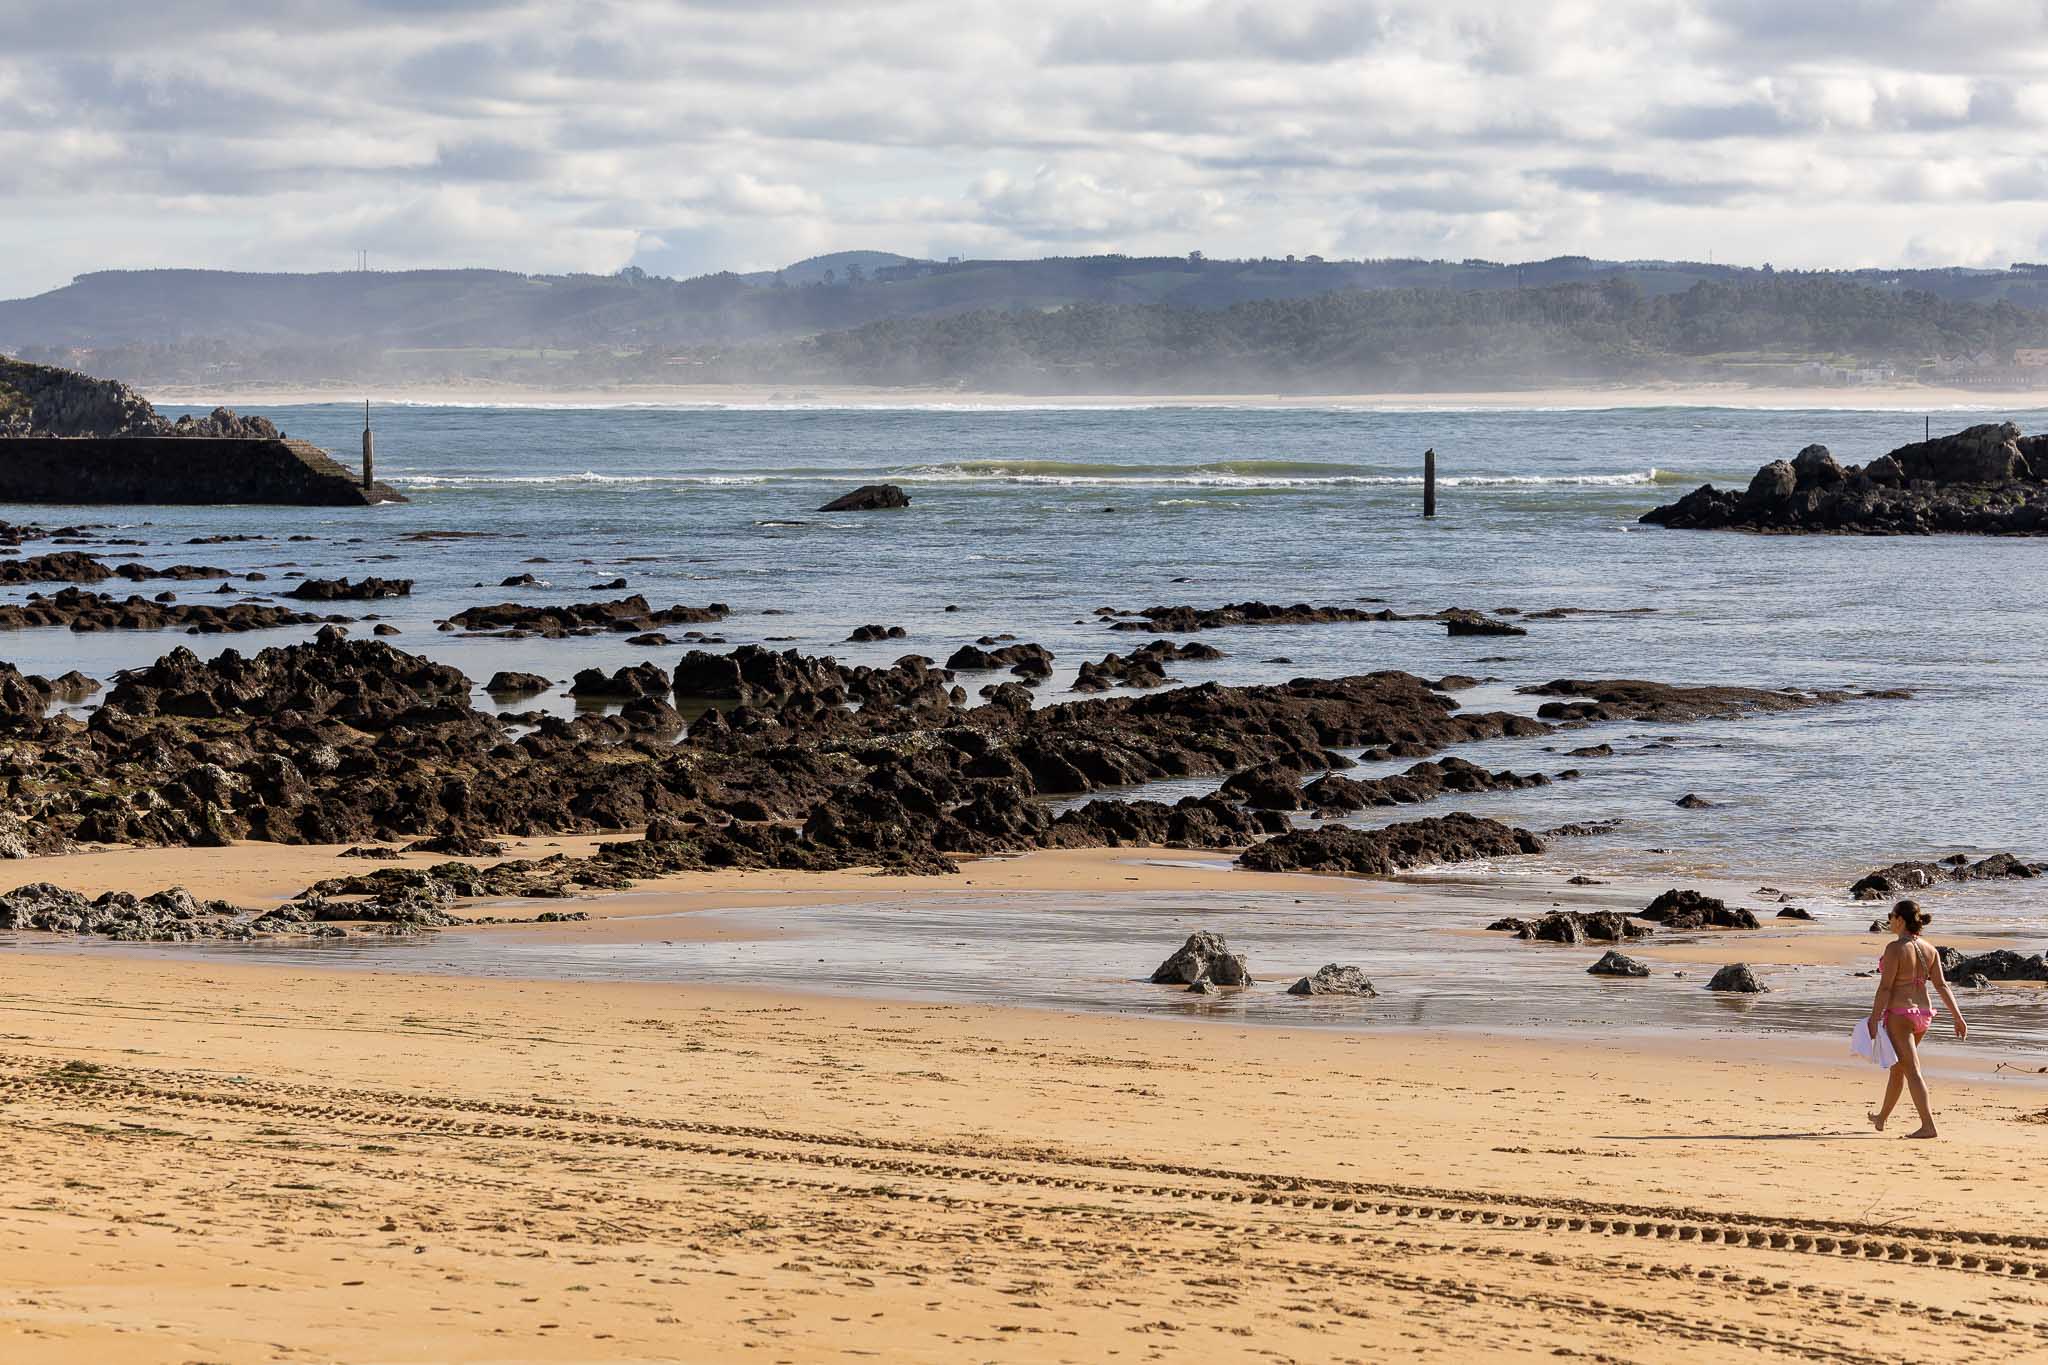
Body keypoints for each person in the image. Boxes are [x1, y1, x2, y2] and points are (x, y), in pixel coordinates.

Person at [1868, 899, 1967, 1138]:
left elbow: (1885, 989)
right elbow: (1942, 986)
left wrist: (1873, 1018)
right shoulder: (1929, 949)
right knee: (1898, 1068)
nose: (1889, 920)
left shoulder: (1895, 948)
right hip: (1924, 1015)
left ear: (1901, 919)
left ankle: (1928, 1125)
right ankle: (1881, 1118)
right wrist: (1958, 1017)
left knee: (1911, 1070)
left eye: (1891, 916)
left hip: (1900, 1015)